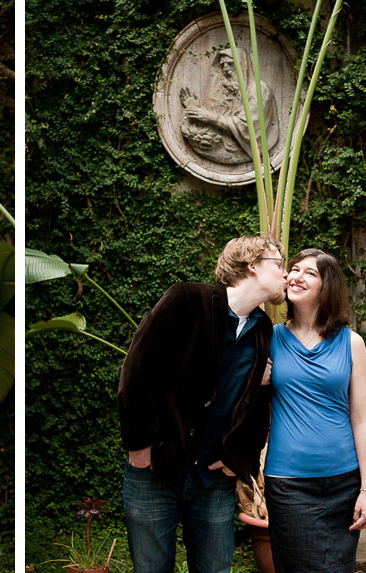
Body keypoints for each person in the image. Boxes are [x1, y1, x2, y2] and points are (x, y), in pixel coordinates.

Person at [118, 235, 287, 572]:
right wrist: (139, 447)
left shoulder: (263, 330)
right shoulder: (186, 299)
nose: (286, 274)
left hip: (213, 480)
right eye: (279, 264)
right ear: (252, 266)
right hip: (155, 472)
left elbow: (255, 409)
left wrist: (236, 460)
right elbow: (136, 371)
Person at [264, 249, 366, 572]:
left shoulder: (352, 343)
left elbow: (362, 418)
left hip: (344, 483)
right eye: (293, 269)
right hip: (289, 484)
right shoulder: (269, 338)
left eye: (309, 272)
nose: (296, 276)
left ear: (328, 286)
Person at [180, 47, 279, 165]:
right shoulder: (234, 93)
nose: (226, 69)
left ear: (242, 65)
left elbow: (246, 126)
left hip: (247, 147)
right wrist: (194, 109)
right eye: (223, 65)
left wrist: (209, 117)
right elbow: (219, 123)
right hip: (226, 143)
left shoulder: (259, 89)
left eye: (230, 64)